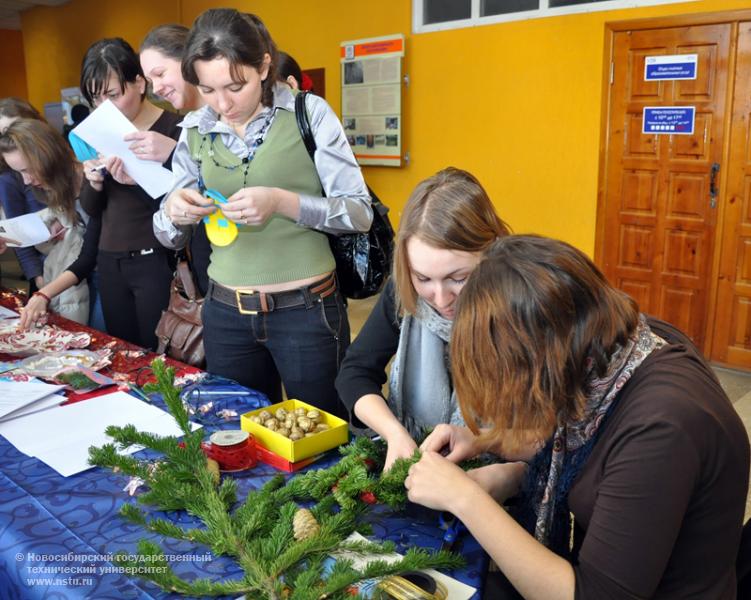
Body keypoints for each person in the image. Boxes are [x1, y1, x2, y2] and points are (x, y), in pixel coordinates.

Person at [404, 235, 750, 600]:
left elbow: (594, 594)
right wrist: (489, 443)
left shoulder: (662, 429)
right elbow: (592, 450)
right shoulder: (617, 347)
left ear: (545, 360)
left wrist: (466, 500)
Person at [153, 8, 372, 415]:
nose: (223, 103)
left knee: (327, 439)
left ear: (264, 66)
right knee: (240, 438)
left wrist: (282, 203)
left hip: (307, 312)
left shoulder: (309, 113)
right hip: (224, 314)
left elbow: (358, 213)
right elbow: (166, 234)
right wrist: (174, 211)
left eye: (236, 86)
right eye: (207, 89)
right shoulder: (195, 130)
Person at [335, 167, 510, 470]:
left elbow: (552, 433)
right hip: (420, 472)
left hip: (498, 476)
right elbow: (355, 373)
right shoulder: (403, 294)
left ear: (490, 251)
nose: (441, 299)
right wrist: (394, 432)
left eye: (459, 278)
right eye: (424, 278)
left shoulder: (525, 304)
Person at [79, 37, 181, 349]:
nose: (104, 107)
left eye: (112, 94)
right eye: (96, 99)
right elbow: (93, 210)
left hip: (154, 258)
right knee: (123, 354)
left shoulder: (173, 128)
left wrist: (137, 183)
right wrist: (93, 184)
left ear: (139, 83)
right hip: (109, 261)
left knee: (159, 356)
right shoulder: (99, 130)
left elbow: (182, 206)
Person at [0, 119, 92, 325]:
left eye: (27, 169)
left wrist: (44, 293)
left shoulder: (90, 178)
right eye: (19, 173)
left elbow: (91, 251)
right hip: (81, 279)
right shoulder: (55, 187)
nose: (26, 181)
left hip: (103, 279)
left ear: (46, 156)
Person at [140, 23, 210, 296]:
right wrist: (173, 211)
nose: (156, 88)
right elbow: (169, 231)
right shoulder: (189, 130)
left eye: (160, 74)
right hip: (211, 274)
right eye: (150, 80)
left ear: (190, 60)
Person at [0, 98, 47, 293]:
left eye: (14, 128)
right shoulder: (9, 178)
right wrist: (38, 277)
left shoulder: (58, 158)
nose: (11, 138)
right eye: (2, 134)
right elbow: (18, 235)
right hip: (46, 266)